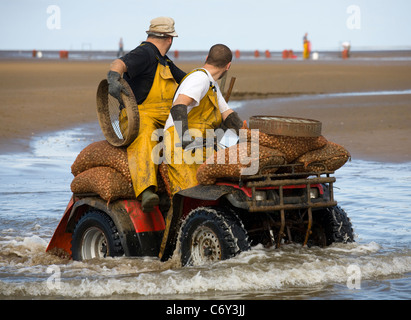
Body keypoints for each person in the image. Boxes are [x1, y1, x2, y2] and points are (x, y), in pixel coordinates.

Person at [107, 17, 186, 213]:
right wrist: (113, 78)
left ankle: (182, 191)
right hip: (138, 115)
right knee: (145, 134)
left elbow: (186, 80)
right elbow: (119, 63)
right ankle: (146, 190)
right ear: (169, 39)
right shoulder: (145, 52)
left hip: (163, 116)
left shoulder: (165, 61)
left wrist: (205, 80)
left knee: (185, 139)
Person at [163, 43, 243, 197]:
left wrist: (247, 135)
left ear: (207, 58)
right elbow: (179, 105)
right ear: (228, 66)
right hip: (178, 142)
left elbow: (228, 114)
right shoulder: (199, 78)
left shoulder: (212, 84)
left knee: (207, 192)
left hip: (200, 143)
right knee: (188, 195)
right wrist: (185, 138)